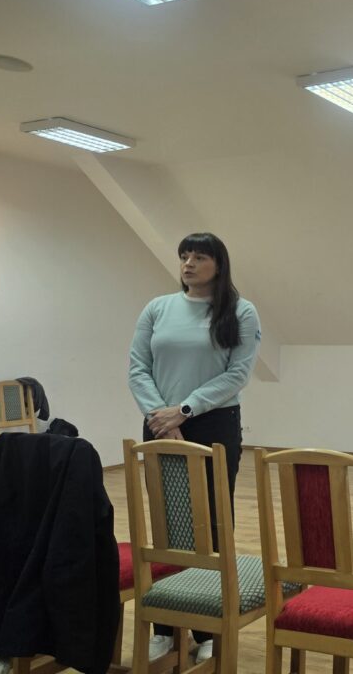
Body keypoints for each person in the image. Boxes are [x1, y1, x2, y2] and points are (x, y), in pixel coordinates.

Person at [128, 232, 261, 665]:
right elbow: (138, 368)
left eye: (199, 256)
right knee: (167, 523)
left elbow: (237, 374)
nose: (188, 263)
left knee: (213, 522)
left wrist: (183, 410)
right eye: (184, 255)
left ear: (218, 265)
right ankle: (166, 627)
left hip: (212, 423)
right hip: (160, 424)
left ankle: (207, 627)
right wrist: (160, 417)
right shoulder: (157, 308)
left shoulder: (240, 311)